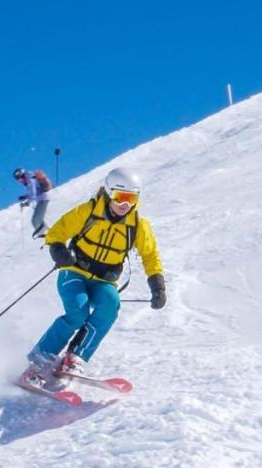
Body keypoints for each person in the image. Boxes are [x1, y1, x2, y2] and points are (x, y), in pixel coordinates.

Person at [22, 167, 165, 389]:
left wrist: (157, 285)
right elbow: (56, 232)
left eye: (131, 198)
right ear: (109, 193)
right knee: (78, 312)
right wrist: (59, 250)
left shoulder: (137, 225)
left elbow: (150, 255)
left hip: (104, 281)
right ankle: (39, 362)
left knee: (110, 305)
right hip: (74, 272)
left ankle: (74, 358)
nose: (125, 204)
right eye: (120, 197)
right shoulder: (88, 212)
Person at [13, 167, 53, 237]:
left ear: (22, 176)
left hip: (43, 199)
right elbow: (33, 192)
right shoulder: (31, 178)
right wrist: (25, 197)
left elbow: (33, 194)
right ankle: (50, 234)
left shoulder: (30, 179)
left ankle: (45, 236)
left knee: (35, 220)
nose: (21, 182)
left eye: (20, 180)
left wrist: (27, 202)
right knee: (39, 220)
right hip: (42, 199)